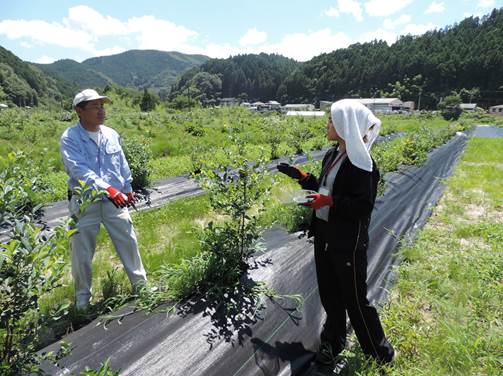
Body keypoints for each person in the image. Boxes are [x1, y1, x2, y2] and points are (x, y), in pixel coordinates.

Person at [277, 99, 395, 366]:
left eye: (331, 120)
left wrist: (329, 203)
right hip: (324, 235)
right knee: (330, 294)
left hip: (347, 242)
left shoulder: (362, 164)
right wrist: (301, 176)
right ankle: (333, 342)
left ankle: (381, 355)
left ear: (344, 125)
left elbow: (363, 206)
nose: (327, 124)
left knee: (355, 299)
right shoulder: (333, 155)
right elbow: (325, 188)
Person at [60, 88, 147, 311]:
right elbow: (79, 171)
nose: (101, 111)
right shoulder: (70, 138)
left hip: (114, 200)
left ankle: (141, 287)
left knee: (128, 240)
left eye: (102, 106)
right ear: (79, 111)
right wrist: (110, 189)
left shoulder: (111, 134)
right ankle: (82, 300)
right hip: (85, 202)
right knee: (81, 251)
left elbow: (122, 162)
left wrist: (127, 188)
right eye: (95, 107)